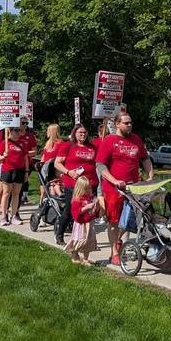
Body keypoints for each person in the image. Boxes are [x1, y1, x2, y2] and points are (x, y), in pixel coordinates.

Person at [96, 112, 152, 265]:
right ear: (117, 124)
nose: (129, 125)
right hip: (113, 188)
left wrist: (150, 175)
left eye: (130, 122)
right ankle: (114, 252)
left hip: (133, 187)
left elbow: (145, 158)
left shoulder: (136, 139)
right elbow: (101, 165)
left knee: (129, 220)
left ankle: (118, 241)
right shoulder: (109, 140)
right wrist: (114, 180)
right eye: (126, 123)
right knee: (114, 221)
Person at [54, 124, 97, 245]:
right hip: (73, 184)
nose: (83, 135)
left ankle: (86, 239)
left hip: (90, 184)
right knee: (70, 211)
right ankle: (60, 234)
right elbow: (57, 163)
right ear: (75, 133)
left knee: (88, 212)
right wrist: (68, 172)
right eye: (80, 133)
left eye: (84, 132)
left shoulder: (92, 147)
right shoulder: (68, 145)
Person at [65, 176, 102, 265]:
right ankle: (74, 253)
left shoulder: (90, 197)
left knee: (89, 240)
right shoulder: (77, 200)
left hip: (89, 223)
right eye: (86, 188)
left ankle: (85, 259)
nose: (89, 190)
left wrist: (96, 204)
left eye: (89, 188)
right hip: (81, 224)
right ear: (80, 189)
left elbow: (94, 211)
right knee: (80, 240)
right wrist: (85, 207)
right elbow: (75, 213)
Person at [0, 126, 29, 226]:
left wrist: (27, 171)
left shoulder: (22, 143)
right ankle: (3, 216)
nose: (18, 132)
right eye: (16, 130)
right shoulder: (4, 143)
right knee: (6, 193)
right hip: (8, 170)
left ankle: (14, 215)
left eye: (19, 130)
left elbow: (25, 158)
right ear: (10, 131)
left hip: (19, 170)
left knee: (16, 193)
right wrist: (3, 156)